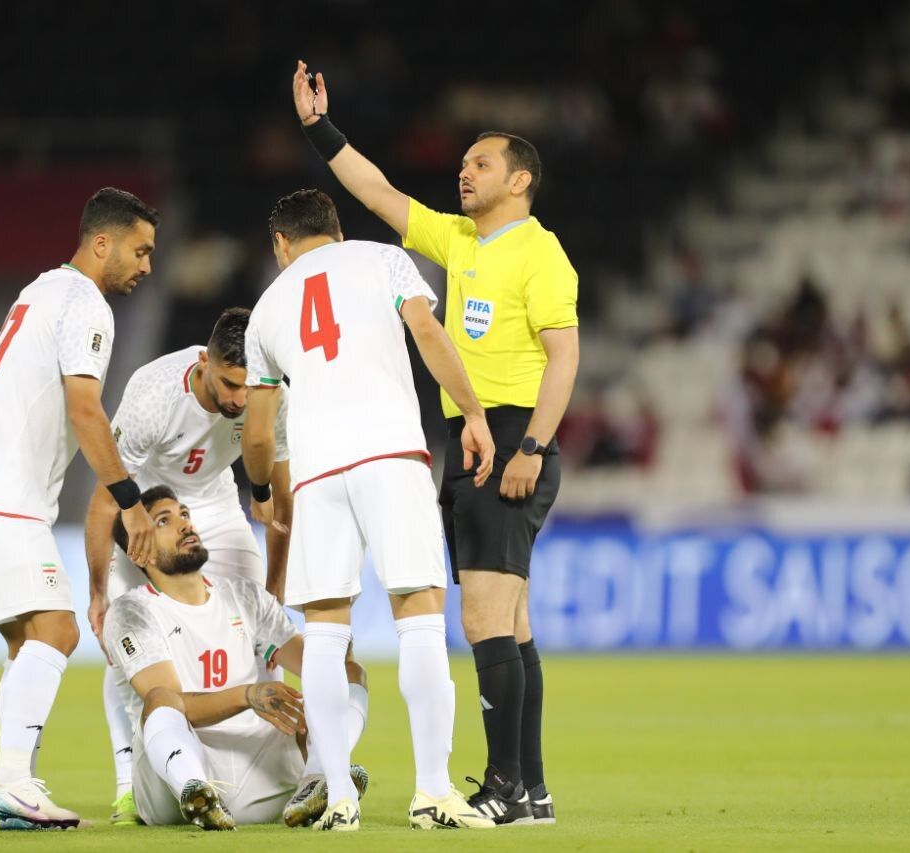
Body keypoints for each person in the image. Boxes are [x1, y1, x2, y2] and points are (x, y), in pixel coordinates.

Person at [291, 61, 580, 825]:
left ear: (519, 180)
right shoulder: (460, 242)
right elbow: (380, 193)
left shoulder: (540, 252)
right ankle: (534, 790)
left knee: (484, 618)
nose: (464, 172)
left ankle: (504, 788)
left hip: (512, 435)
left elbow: (566, 356)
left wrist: (533, 448)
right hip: (477, 437)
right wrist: (322, 129)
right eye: (461, 164)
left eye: (480, 163)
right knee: (511, 625)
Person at [240, 188, 496, 831]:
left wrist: (264, 491)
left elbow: (260, 434)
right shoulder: (381, 259)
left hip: (320, 474)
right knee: (419, 618)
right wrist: (471, 412)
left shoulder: (266, 310)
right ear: (336, 229)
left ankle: (339, 798)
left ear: (280, 246)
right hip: (391, 454)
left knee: (324, 632)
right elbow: (427, 332)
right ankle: (433, 792)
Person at [0, 187, 159, 829]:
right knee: (58, 629)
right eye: (140, 252)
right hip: (1, 494)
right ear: (102, 243)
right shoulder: (86, 303)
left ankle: (17, 785)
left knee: (26, 641)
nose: (147, 266)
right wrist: (131, 504)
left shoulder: (40, 289)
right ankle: (11, 781)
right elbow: (85, 410)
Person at [85, 307, 293, 824]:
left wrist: (275, 585)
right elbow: (106, 498)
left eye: (248, 388)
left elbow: (282, 501)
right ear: (204, 362)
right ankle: (130, 782)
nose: (239, 400)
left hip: (219, 505)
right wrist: (98, 592)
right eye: (228, 384)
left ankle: (264, 760)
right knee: (125, 646)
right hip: (150, 509)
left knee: (262, 632)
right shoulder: (155, 393)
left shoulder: (271, 394)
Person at [104, 485, 370, 829]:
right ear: (139, 551)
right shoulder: (132, 611)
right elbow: (170, 700)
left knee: (346, 671)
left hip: (259, 768)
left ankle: (320, 778)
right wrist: (248, 696)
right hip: (172, 784)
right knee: (160, 700)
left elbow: (314, 665)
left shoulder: (242, 595)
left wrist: (336, 623)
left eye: (184, 514)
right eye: (163, 521)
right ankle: (195, 791)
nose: (185, 525)